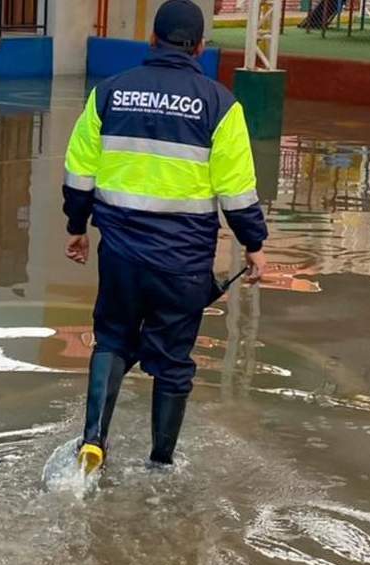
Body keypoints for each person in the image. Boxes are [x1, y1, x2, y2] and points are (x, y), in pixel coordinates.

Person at [63, 0, 268, 470]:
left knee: (112, 339)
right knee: (173, 361)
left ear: (152, 40)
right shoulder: (220, 104)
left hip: (120, 253)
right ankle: (160, 463)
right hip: (183, 261)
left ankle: (93, 440)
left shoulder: (108, 94)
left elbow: (79, 173)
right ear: (199, 47)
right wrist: (254, 244)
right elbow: (236, 190)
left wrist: (77, 227)